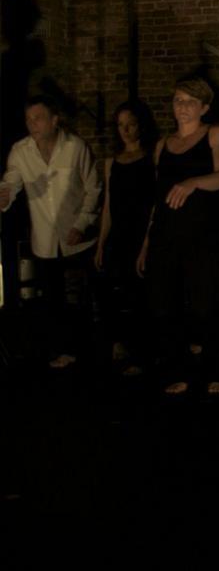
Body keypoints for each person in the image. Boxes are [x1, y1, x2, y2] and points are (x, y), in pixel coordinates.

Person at [136, 77, 219, 395]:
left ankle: (216, 369)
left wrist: (193, 182)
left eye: (191, 101)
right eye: (178, 100)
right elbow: (157, 198)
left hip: (201, 233)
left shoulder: (214, 132)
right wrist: (146, 243)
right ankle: (180, 371)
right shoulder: (163, 145)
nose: (183, 107)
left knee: (206, 305)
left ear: (204, 107)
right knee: (164, 305)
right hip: (165, 233)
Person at [0, 95, 102, 368]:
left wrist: (81, 224)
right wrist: (5, 195)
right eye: (28, 119)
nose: (32, 124)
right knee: (53, 300)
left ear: (54, 120)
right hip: (45, 240)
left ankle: (92, 351)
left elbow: (94, 187)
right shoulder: (20, 151)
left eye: (38, 118)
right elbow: (11, 181)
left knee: (83, 298)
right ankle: (63, 350)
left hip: (77, 238)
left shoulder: (75, 147)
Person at [94, 100, 158, 374]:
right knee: (110, 291)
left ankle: (143, 354)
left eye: (130, 124)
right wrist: (101, 244)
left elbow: (155, 202)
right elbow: (108, 205)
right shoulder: (112, 162)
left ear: (141, 125)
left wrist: (147, 242)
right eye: (121, 125)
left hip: (141, 232)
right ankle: (119, 343)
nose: (126, 130)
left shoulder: (152, 157)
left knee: (140, 295)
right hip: (118, 234)